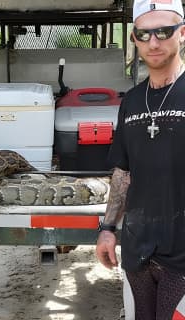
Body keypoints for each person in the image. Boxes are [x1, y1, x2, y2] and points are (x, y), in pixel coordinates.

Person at [96, 0, 185, 319]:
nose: (154, 42)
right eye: (144, 34)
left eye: (163, 31)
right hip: (137, 255)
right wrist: (107, 228)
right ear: (134, 39)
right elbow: (123, 171)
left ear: (183, 33)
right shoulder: (131, 102)